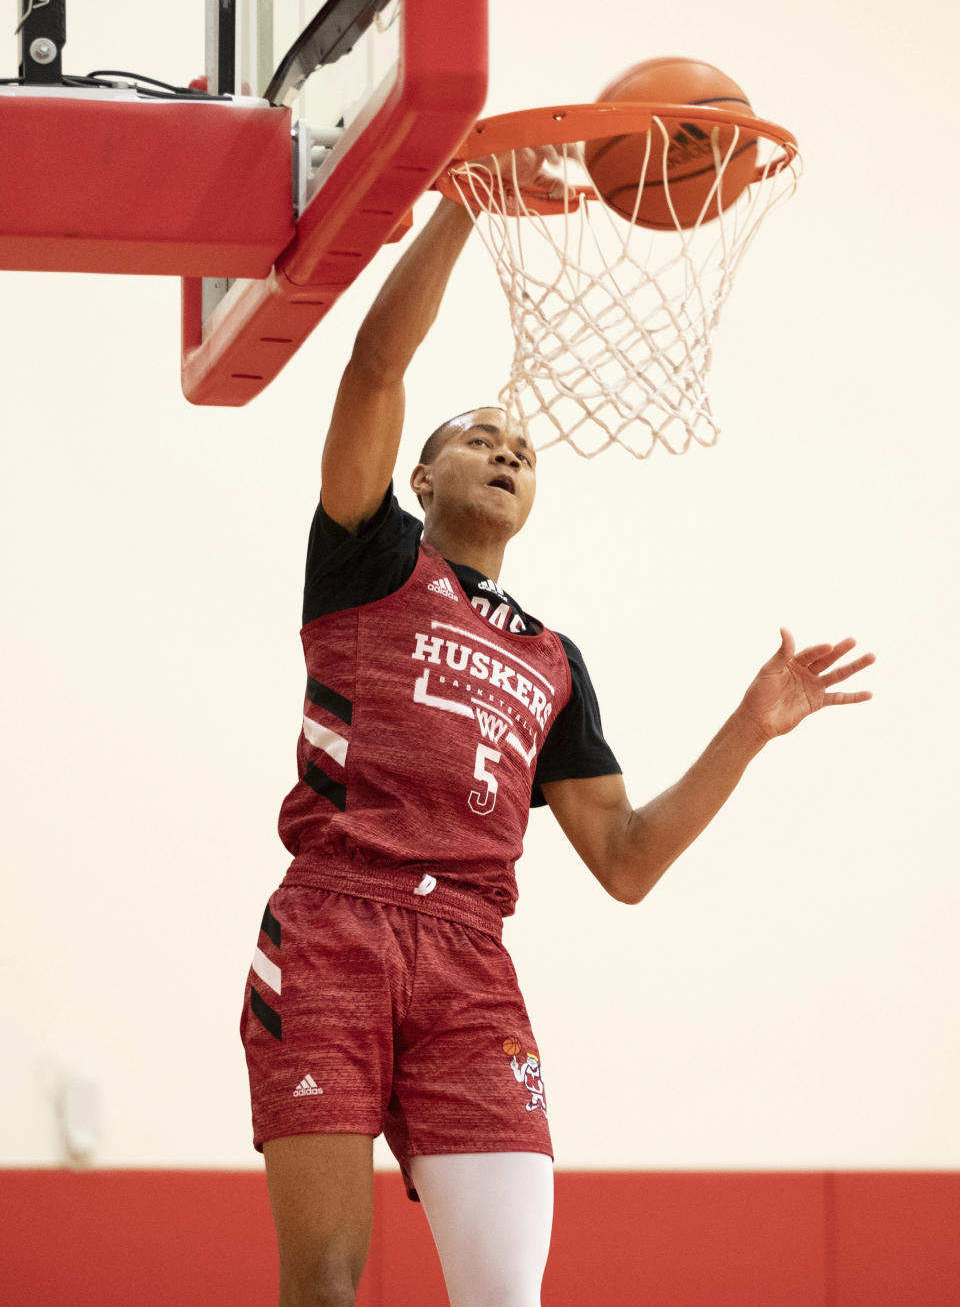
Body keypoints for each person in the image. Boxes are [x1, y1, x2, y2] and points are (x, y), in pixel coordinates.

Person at [240, 151, 875, 1307]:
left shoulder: (554, 662)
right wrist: (462, 208)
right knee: (327, 1291)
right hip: (334, 927)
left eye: (522, 449)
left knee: (506, 1300)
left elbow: (626, 862)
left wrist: (747, 726)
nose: (509, 448)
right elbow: (376, 364)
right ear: (423, 474)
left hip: (472, 965)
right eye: (479, 436)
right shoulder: (368, 554)